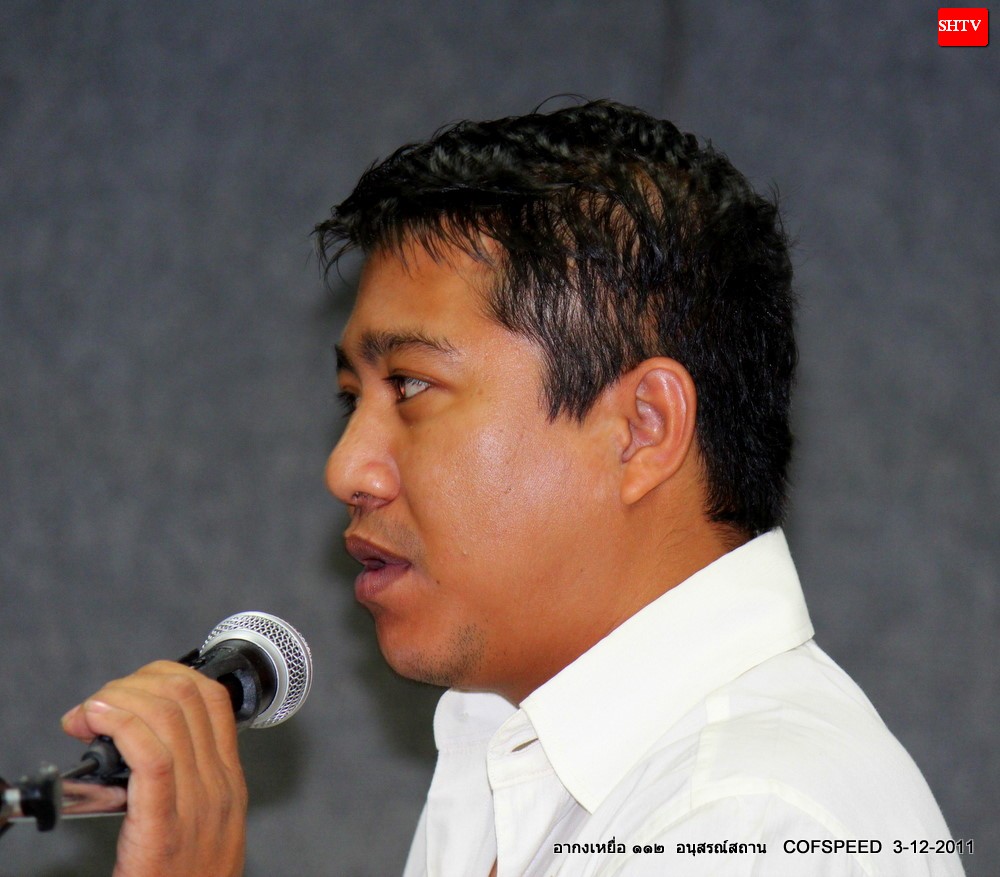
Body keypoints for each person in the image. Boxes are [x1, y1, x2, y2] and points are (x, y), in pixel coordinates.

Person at [61, 101, 964, 876]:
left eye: (411, 386)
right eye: (350, 400)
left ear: (643, 429)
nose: (346, 469)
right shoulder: (502, 740)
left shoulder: (751, 823)